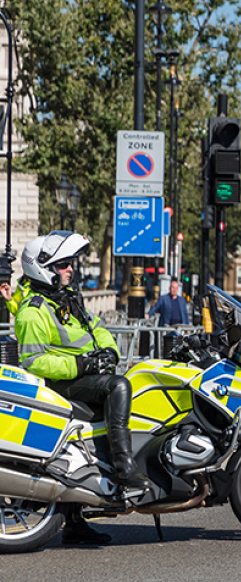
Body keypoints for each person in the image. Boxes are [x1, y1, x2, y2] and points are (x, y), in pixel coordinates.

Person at [14, 231, 151, 545]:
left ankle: (75, 522)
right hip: (62, 384)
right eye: (63, 265)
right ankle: (125, 470)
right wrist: (83, 366)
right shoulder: (34, 310)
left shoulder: (66, 300)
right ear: (43, 268)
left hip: (79, 378)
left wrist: (109, 352)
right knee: (119, 387)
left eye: (69, 264)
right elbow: (33, 361)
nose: (70, 269)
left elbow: (96, 327)